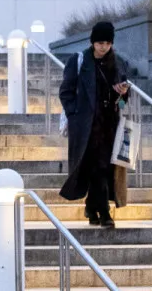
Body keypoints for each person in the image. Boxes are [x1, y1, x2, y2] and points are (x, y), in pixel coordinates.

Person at [59, 20, 137, 227]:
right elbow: (65, 92)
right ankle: (104, 212)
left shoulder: (117, 63)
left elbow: (122, 102)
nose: (104, 47)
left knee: (103, 167)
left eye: (108, 43)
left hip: (109, 123)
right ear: (93, 42)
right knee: (97, 166)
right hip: (86, 125)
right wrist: (74, 115)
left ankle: (92, 207)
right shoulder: (79, 61)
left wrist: (122, 94)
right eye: (100, 42)